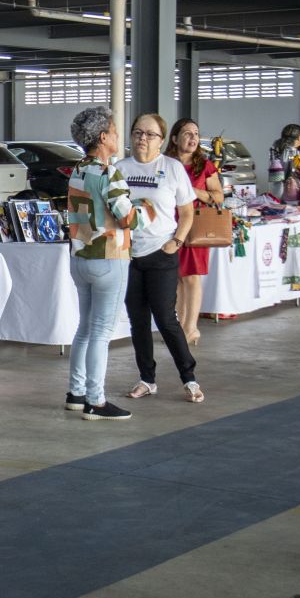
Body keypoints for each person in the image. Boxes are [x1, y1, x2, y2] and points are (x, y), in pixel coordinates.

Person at [118, 113, 202, 404]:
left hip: (161, 253)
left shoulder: (173, 168)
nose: (142, 138)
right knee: (137, 320)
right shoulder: (120, 168)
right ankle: (147, 379)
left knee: (166, 319)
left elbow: (188, 212)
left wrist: (176, 242)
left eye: (150, 134)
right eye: (138, 132)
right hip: (128, 256)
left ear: (162, 140)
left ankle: (189, 377)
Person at [63, 106, 135, 421]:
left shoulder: (78, 170)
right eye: (116, 132)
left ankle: (75, 394)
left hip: (80, 258)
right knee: (101, 332)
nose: (119, 136)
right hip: (109, 257)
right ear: (103, 137)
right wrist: (149, 211)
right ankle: (96, 401)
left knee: (84, 329)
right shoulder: (109, 173)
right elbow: (127, 217)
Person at [168, 119, 223, 347]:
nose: (193, 138)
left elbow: (218, 196)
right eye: (187, 133)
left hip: (194, 226)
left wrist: (194, 192)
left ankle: (192, 327)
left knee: (191, 277)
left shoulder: (204, 165)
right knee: (177, 278)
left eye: (196, 134)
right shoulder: (166, 164)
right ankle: (180, 325)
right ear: (174, 138)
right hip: (169, 225)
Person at [268, 123, 300, 200]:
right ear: (298, 138)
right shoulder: (294, 152)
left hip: (276, 189)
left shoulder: (277, 149)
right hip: (290, 192)